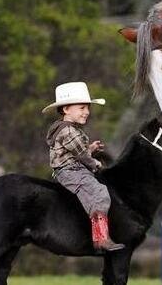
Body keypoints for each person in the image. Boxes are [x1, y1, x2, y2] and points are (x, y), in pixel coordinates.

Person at [42, 82, 124, 251]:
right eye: (81, 108)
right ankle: (101, 238)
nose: (87, 112)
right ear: (66, 109)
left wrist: (91, 148)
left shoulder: (68, 129)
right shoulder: (69, 131)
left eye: (87, 108)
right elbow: (82, 156)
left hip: (71, 168)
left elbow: (76, 150)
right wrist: (95, 163)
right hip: (71, 171)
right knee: (100, 193)